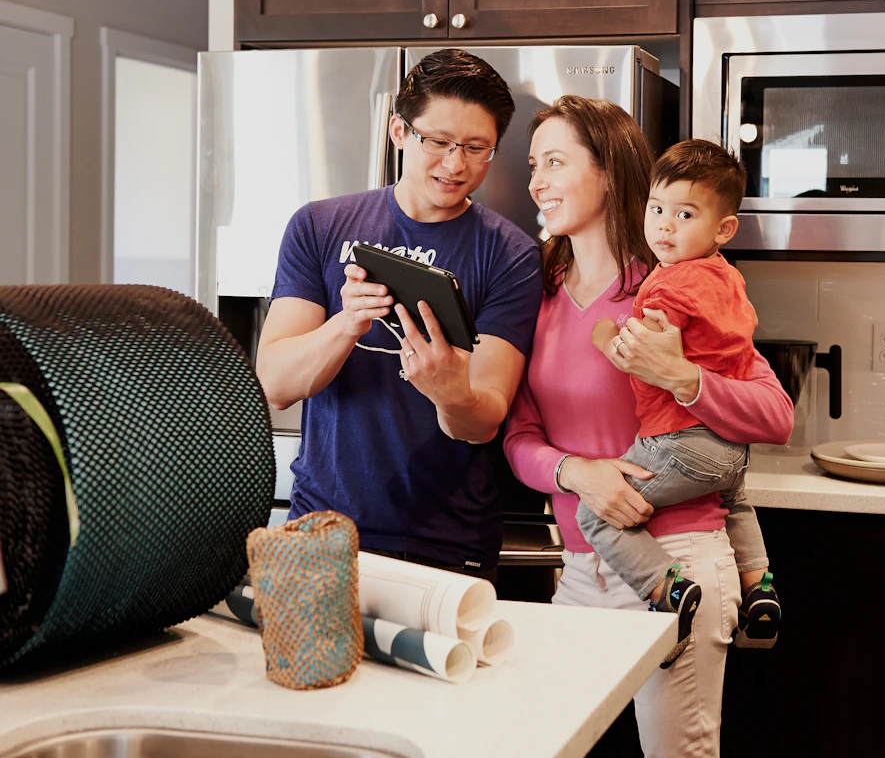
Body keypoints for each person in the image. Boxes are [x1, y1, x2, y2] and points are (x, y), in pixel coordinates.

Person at [504, 95, 794, 757]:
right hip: (582, 567)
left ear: (608, 172)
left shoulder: (675, 287)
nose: (535, 182)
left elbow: (776, 416)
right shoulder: (539, 296)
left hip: (681, 559)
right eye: (532, 164)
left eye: (555, 162)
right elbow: (519, 438)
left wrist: (684, 378)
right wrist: (575, 472)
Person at [256, 48, 543, 580]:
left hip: (447, 540)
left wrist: (450, 390)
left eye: (477, 148)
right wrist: (345, 324)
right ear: (399, 131)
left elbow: (485, 419)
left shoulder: (511, 255)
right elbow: (274, 383)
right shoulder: (318, 226)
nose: (456, 165)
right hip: (321, 527)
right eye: (437, 142)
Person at [586, 140, 781, 662]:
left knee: (597, 516)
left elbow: (638, 354)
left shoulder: (666, 286)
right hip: (731, 450)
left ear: (723, 228)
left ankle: (665, 590)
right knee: (734, 499)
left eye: (684, 214)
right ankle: (760, 585)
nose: (664, 226)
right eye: (657, 210)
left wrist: (604, 333)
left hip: (678, 441)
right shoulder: (729, 278)